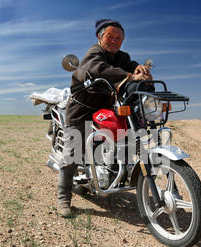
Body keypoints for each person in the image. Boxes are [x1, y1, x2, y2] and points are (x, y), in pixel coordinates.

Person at [57, 19, 152, 217]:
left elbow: (132, 66)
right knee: (72, 152)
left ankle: (112, 172)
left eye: (119, 38)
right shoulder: (94, 53)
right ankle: (63, 199)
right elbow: (97, 68)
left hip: (106, 106)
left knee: (125, 136)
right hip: (82, 109)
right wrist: (129, 75)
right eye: (110, 36)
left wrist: (141, 70)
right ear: (100, 37)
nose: (114, 41)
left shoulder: (121, 56)